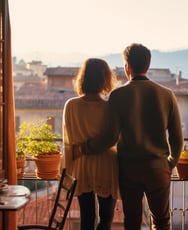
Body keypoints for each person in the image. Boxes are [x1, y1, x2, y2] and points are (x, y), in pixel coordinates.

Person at [76, 43, 184, 230]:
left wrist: (85, 147)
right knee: (161, 221)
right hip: (158, 168)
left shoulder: (118, 95)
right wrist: (170, 162)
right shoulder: (167, 95)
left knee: (132, 222)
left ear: (127, 66)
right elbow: (176, 137)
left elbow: (110, 137)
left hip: (129, 170)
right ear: (147, 65)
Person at [62, 58, 119, 230]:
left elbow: (68, 141)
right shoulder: (110, 108)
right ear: (105, 79)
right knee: (106, 219)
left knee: (86, 218)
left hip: (82, 165)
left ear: (83, 78)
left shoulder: (71, 105)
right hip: (107, 166)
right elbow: (114, 138)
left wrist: (68, 168)